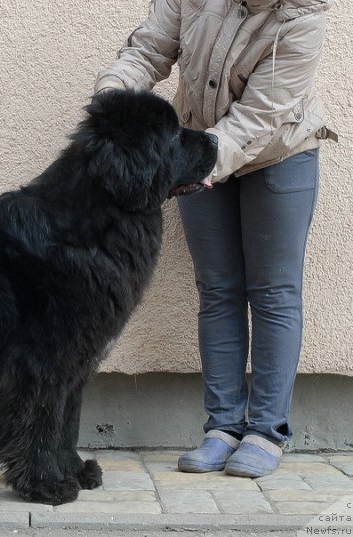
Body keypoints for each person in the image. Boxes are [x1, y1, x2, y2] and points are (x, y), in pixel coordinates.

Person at [94, 0, 336, 477]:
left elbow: (259, 115)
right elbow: (147, 50)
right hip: (199, 145)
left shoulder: (303, 20)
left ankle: (267, 433)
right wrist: (111, 99)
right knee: (218, 289)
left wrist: (193, 159)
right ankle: (222, 428)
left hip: (278, 154)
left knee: (273, 292)